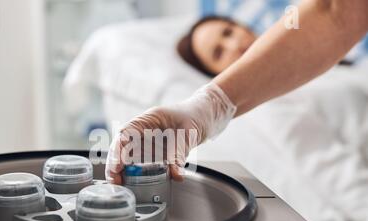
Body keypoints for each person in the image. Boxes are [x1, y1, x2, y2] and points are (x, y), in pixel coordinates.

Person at [106, 0, 368, 185]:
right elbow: (335, 12)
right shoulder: (277, 104)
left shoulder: (335, 65)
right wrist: (206, 109)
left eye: (229, 31)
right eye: (218, 52)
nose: (234, 43)